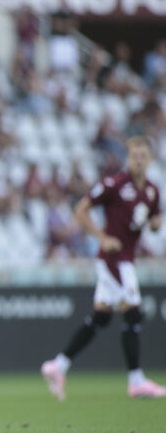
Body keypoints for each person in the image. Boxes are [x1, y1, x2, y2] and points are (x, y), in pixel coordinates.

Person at [41, 136, 164, 400]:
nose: (139, 160)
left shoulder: (152, 190)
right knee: (133, 313)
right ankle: (136, 381)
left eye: (143, 156)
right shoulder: (115, 184)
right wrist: (102, 237)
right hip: (113, 259)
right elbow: (81, 209)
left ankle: (57, 366)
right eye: (135, 156)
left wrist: (155, 224)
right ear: (128, 158)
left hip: (128, 258)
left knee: (102, 317)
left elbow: (155, 218)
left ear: (150, 159)